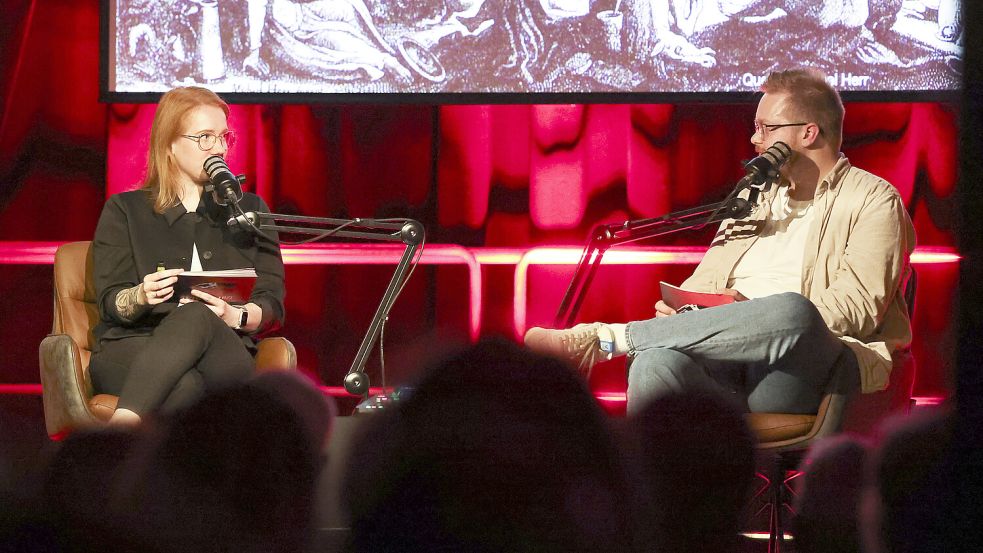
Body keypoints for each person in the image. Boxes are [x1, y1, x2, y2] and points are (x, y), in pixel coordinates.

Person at [526, 68, 915, 416]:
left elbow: (853, 310)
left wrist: (753, 314)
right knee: (654, 362)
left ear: (808, 132)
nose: (754, 138)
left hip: (803, 368)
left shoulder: (873, 199)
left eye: (767, 128)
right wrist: (686, 311)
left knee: (794, 312)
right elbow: (705, 280)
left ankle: (605, 340)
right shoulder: (754, 195)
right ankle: (654, 494)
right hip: (724, 362)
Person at [89, 86, 285, 426]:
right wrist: (140, 295)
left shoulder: (250, 210)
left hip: (221, 350)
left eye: (224, 137)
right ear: (170, 145)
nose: (219, 148)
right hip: (138, 345)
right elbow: (111, 301)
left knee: (197, 317)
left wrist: (234, 316)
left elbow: (272, 303)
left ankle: (117, 439)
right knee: (187, 387)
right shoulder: (125, 210)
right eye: (205, 137)